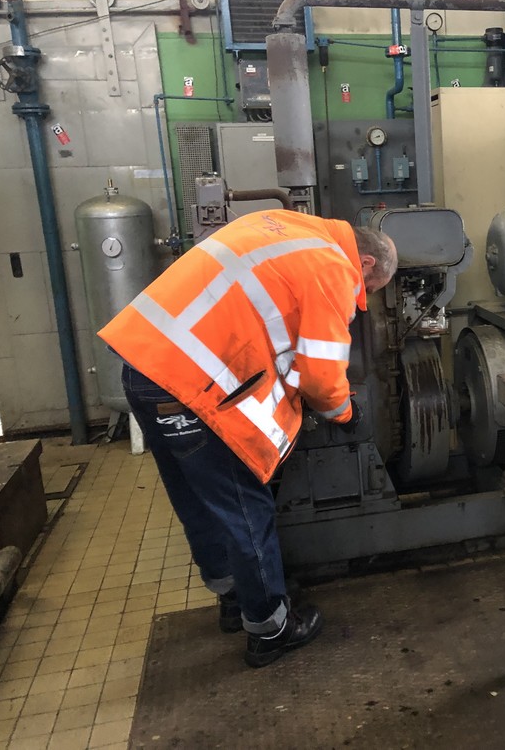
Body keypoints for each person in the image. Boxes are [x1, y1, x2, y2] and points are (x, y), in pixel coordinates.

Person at [99, 209, 398, 667]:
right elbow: (321, 377)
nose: (362, 299)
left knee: (197, 497)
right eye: (368, 291)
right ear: (367, 263)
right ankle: (270, 629)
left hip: (144, 366)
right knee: (245, 507)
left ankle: (235, 597)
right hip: (186, 385)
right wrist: (344, 412)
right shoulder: (333, 265)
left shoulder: (282, 225)